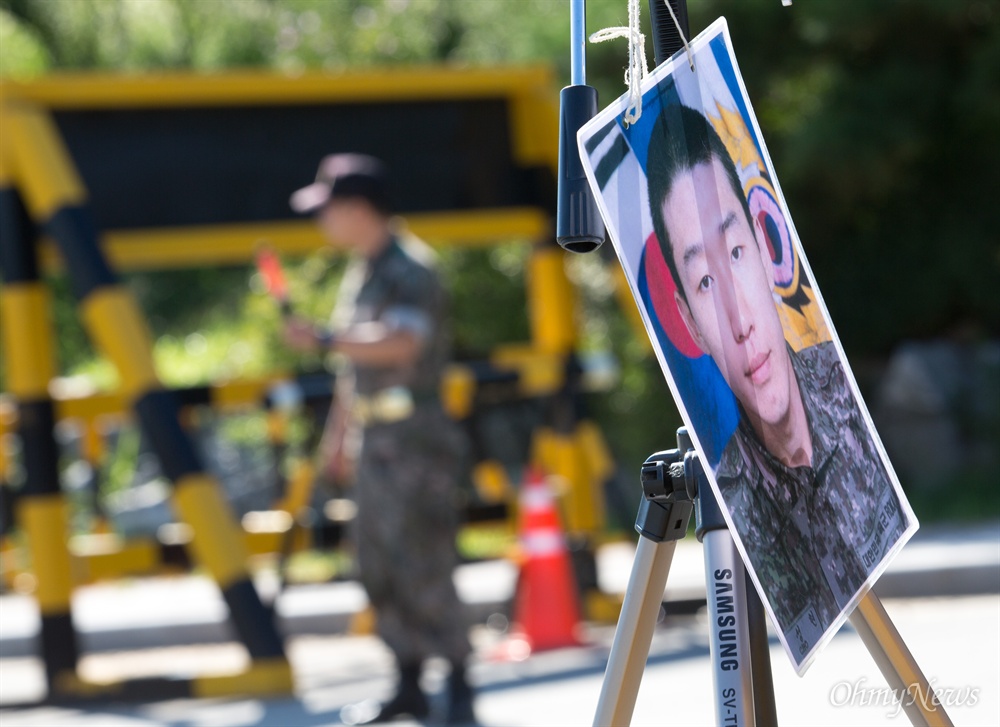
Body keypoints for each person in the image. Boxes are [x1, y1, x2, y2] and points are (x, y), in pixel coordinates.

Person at [645, 105, 907, 659]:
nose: (739, 321)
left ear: (766, 251)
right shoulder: (734, 491)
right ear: (688, 321)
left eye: (736, 253)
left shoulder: (839, 390)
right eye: (706, 280)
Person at [284, 153, 475, 723]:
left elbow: (400, 344)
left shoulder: (411, 269)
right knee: (379, 564)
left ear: (358, 208)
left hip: (417, 440)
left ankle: (459, 687)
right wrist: (339, 439)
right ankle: (409, 682)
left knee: (426, 561)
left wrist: (322, 336)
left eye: (329, 209)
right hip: (376, 441)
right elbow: (354, 371)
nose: (323, 222)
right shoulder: (363, 269)